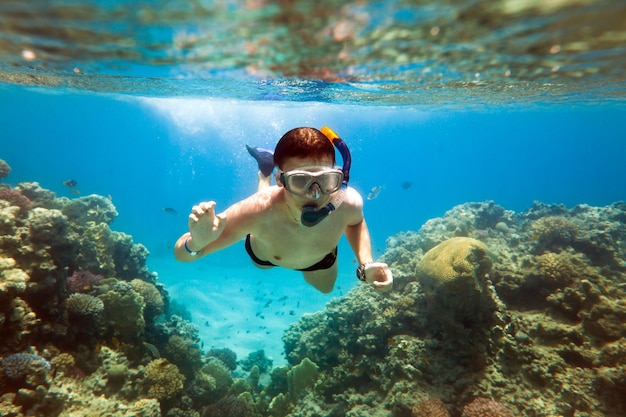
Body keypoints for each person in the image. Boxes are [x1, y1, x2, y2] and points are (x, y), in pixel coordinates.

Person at [174, 127, 393, 294]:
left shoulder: (348, 202)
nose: (314, 194)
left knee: (325, 289)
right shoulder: (256, 211)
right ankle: (265, 172)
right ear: (281, 180)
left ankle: (266, 166)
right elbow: (181, 255)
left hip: (320, 259)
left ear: (338, 177)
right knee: (264, 264)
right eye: (300, 181)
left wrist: (366, 262)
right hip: (266, 255)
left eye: (325, 180)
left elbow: (355, 223)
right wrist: (197, 243)